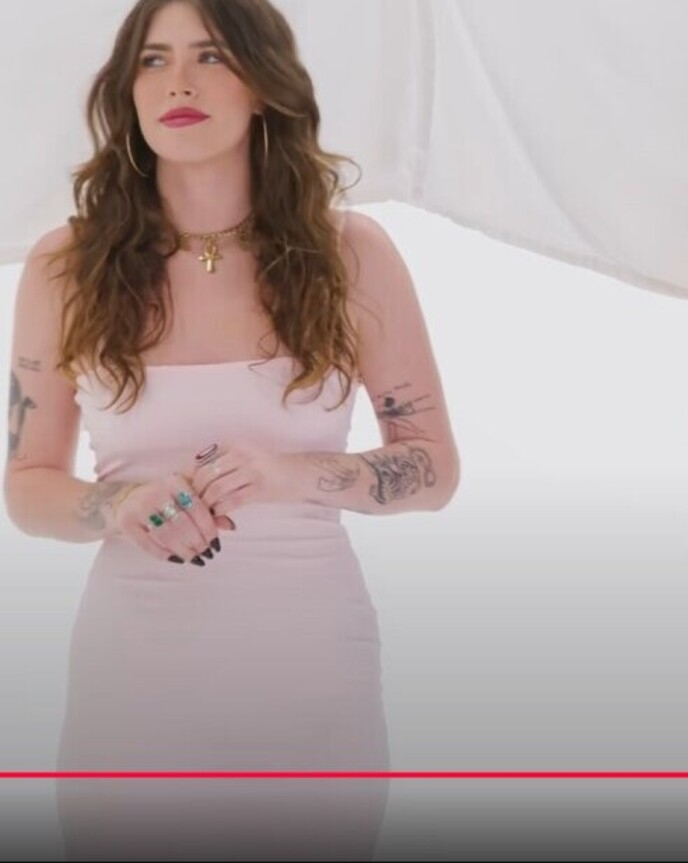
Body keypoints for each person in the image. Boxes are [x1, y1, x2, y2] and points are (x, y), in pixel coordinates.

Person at [3, 0, 458, 859]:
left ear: (263, 84)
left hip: (310, 669)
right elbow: (27, 485)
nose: (178, 81)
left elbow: (432, 468)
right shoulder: (65, 267)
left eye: (210, 56)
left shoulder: (352, 254)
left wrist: (292, 473)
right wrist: (118, 503)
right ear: (126, 90)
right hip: (132, 677)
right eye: (153, 59)